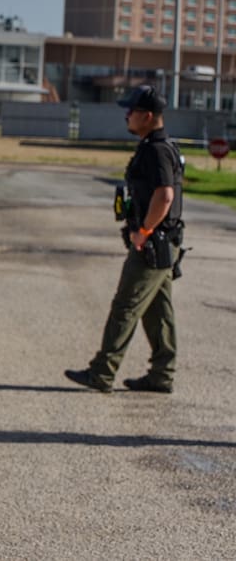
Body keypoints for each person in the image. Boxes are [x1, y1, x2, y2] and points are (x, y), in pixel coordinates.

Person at [65, 85, 182, 394]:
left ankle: (102, 372)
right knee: (158, 310)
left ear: (147, 116)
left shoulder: (156, 149)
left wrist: (143, 231)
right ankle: (162, 374)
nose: (126, 115)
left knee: (126, 306)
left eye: (131, 111)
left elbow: (165, 195)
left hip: (153, 243)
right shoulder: (158, 145)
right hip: (163, 242)